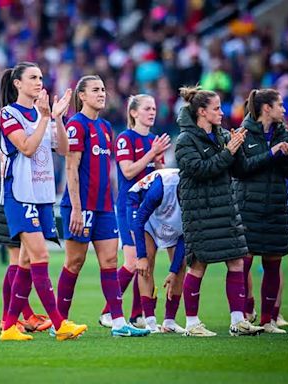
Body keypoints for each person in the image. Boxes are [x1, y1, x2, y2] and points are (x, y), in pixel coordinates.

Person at [0, 62, 86, 341]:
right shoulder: (8, 114)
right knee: (41, 256)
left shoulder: (42, 114)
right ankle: (60, 325)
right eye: (32, 78)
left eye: (40, 77)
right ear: (17, 84)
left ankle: (9, 326)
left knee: (25, 262)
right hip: (20, 193)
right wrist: (45, 119)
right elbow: (26, 146)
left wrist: (57, 118)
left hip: (41, 194)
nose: (39, 82)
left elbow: (63, 148)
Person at [57, 74, 150, 337]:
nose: (102, 93)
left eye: (103, 89)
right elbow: (71, 168)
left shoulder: (106, 127)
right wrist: (75, 207)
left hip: (105, 206)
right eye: (95, 90)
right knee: (74, 262)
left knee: (110, 260)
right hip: (81, 206)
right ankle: (59, 322)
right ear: (82, 96)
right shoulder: (76, 125)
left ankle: (118, 322)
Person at [175, 85, 264, 337]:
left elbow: (239, 171)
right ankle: (192, 324)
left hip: (225, 207)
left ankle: (238, 321)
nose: (221, 112)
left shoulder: (224, 135)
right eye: (216, 108)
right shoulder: (185, 141)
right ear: (202, 112)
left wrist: (239, 149)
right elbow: (202, 170)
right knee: (198, 264)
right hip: (200, 210)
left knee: (236, 261)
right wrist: (228, 152)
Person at [99, 94, 170, 328]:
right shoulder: (125, 138)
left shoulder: (153, 140)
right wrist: (152, 154)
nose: (152, 112)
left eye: (154, 108)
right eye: (147, 108)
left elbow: (157, 173)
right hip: (130, 206)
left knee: (146, 262)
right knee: (132, 261)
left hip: (150, 208)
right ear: (133, 112)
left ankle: (138, 315)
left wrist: (159, 162)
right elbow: (128, 172)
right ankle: (109, 311)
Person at [233, 88, 288, 334]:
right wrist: (272, 152)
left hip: (275, 207)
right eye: (280, 105)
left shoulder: (284, 133)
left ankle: (268, 320)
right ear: (266, 108)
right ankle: (243, 316)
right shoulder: (243, 134)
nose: (284, 109)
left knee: (273, 265)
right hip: (248, 208)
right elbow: (243, 169)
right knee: (243, 265)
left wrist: (287, 156)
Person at [0, 119, 52, 333]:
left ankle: (17, 317)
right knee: (19, 259)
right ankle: (10, 320)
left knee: (23, 259)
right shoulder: (8, 120)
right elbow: (27, 148)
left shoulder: (15, 120)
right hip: (10, 194)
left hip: (20, 193)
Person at [128, 168, 186, 334]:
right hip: (143, 212)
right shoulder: (162, 186)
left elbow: (185, 236)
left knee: (181, 265)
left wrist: (174, 271)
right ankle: (150, 322)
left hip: (171, 220)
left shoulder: (197, 196)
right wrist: (141, 257)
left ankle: (169, 321)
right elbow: (139, 220)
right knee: (146, 263)